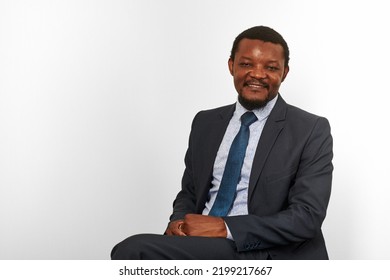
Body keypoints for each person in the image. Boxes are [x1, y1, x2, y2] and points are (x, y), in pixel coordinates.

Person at [111, 26, 333, 260]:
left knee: (133, 251)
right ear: (231, 66)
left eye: (270, 67)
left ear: (284, 73)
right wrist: (179, 220)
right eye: (247, 64)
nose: (257, 74)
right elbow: (190, 191)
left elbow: (306, 216)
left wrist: (224, 227)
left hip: (263, 251)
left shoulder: (310, 129)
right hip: (201, 242)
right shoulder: (205, 123)